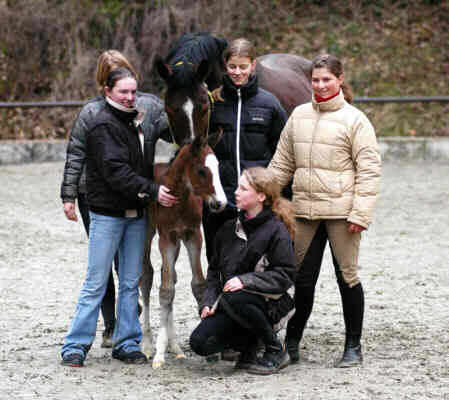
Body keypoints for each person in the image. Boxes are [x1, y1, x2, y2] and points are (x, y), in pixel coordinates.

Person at [268, 54, 382, 368]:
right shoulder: (299, 115)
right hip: (304, 211)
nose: (320, 85)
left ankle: (353, 346)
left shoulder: (356, 120)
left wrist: (361, 213)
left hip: (342, 215)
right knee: (302, 280)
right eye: (316, 80)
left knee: (347, 278)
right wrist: (264, 196)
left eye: (326, 80)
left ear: (340, 80)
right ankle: (292, 344)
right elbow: (282, 163)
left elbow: (369, 171)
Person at [60, 68, 177, 367]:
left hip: (136, 216)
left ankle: (126, 341)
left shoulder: (135, 122)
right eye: (123, 91)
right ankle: (75, 344)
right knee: (96, 282)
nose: (129, 97)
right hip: (108, 216)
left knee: (129, 282)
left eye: (133, 92)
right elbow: (116, 171)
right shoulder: (102, 125)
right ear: (108, 91)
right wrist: (153, 190)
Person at [190, 167, 296, 375]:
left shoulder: (277, 230)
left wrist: (246, 281)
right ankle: (250, 347)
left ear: (261, 196)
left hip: (273, 303)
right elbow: (214, 274)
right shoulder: (227, 229)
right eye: (237, 187)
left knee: (234, 296)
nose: (236, 192)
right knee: (200, 343)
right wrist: (208, 302)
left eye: (243, 188)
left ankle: (276, 349)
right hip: (234, 302)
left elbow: (285, 275)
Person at [203, 37, 288, 263]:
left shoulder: (270, 104)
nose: (237, 72)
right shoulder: (213, 102)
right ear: (224, 66)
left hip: (257, 201)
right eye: (232, 66)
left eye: (243, 66)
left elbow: (283, 151)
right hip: (220, 199)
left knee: (256, 261)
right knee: (217, 259)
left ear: (253, 65)